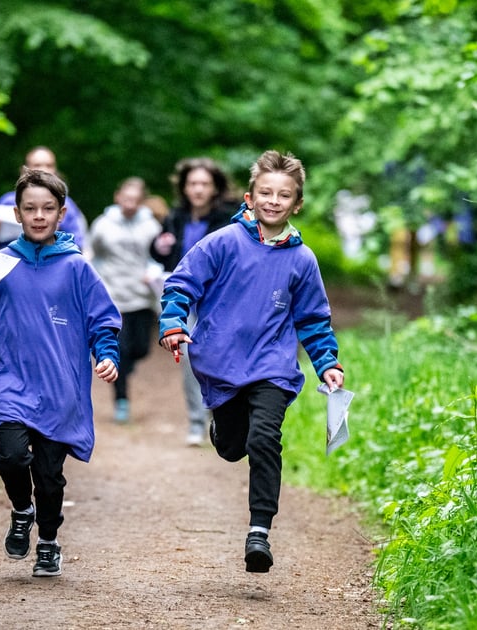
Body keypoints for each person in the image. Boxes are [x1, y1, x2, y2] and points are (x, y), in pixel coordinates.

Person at [157, 150, 344, 573]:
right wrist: (172, 322)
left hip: (273, 367)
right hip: (222, 365)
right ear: (249, 197)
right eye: (266, 192)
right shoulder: (222, 243)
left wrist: (327, 362)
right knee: (231, 447)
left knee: (264, 438)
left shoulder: (302, 260)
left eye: (284, 195)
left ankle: (259, 530)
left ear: (296, 204)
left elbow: (313, 320)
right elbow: (181, 285)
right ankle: (221, 428)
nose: (274, 201)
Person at [0, 168, 120, 578]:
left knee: (50, 477)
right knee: (12, 456)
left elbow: (103, 321)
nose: (39, 216)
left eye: (48, 209)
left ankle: (49, 541)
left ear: (62, 214)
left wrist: (106, 355)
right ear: (16, 214)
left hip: (59, 388)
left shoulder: (77, 268)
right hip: (4, 380)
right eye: (30, 208)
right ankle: (22, 511)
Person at [149, 157, 237, 445]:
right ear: (184, 188)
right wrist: (159, 247)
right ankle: (197, 421)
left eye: (204, 184)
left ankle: (219, 414)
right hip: (185, 299)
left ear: (215, 188)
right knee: (189, 358)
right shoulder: (176, 217)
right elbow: (161, 252)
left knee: (219, 357)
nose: (198, 189)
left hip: (218, 301)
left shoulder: (228, 219)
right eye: (193, 184)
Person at [89, 177, 163, 423]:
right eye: (126, 198)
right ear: (117, 197)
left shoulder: (151, 226)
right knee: (119, 349)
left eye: (135, 200)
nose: (130, 204)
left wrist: (152, 272)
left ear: (141, 202)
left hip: (141, 297)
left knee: (141, 348)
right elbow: (93, 253)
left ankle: (126, 367)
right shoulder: (102, 224)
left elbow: (159, 256)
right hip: (113, 296)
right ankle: (121, 400)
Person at [0, 146, 90, 257]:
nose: (44, 169)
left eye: (49, 165)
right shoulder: (7, 201)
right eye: (37, 165)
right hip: (9, 264)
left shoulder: (66, 204)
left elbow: (78, 246)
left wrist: (55, 234)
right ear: (24, 170)